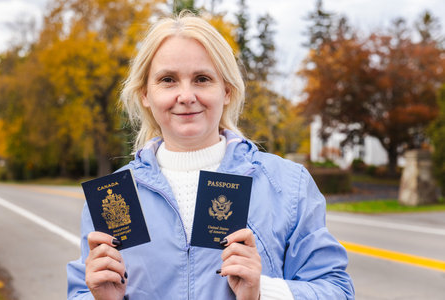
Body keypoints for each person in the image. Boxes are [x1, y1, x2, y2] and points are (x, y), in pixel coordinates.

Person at [67, 12, 355, 300]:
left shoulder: (288, 185)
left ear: (227, 90)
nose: (186, 95)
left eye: (202, 79)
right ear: (145, 94)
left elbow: (337, 291)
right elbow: (81, 290)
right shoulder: (112, 197)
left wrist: (263, 292)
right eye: (168, 80)